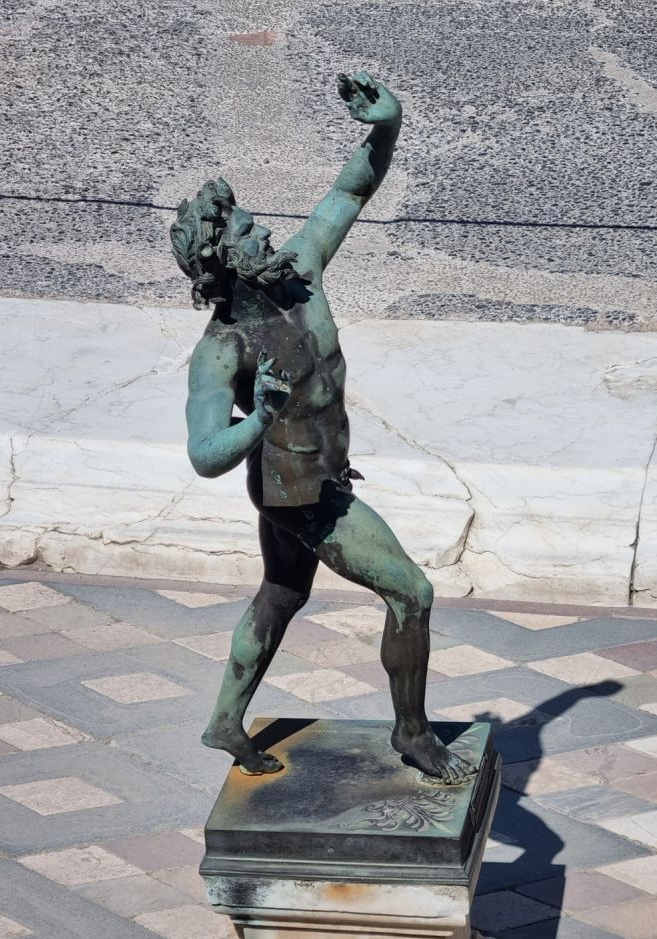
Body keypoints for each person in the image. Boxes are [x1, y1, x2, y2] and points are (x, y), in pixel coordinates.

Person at [170, 71, 473, 784]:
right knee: (412, 593)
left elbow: (349, 192)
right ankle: (412, 733)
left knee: (282, 594)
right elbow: (204, 454)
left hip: (316, 470)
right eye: (248, 231)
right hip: (299, 493)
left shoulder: (300, 271)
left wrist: (386, 127)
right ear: (225, 260)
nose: (266, 231)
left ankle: (224, 722)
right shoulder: (221, 351)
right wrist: (261, 417)